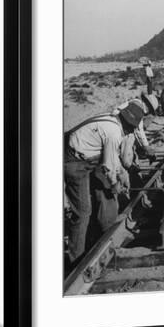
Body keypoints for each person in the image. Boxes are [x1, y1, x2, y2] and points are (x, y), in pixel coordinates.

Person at [64, 103, 144, 264]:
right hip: (73, 161)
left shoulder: (112, 121)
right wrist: (115, 184)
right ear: (129, 125)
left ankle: (93, 237)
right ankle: (76, 260)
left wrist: (122, 174)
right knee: (82, 211)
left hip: (87, 158)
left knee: (95, 198)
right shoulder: (114, 133)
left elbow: (112, 158)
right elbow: (108, 166)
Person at [113, 93, 159, 160]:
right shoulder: (138, 108)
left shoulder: (135, 102)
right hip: (117, 127)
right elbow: (139, 130)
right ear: (149, 106)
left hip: (114, 122)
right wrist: (146, 146)